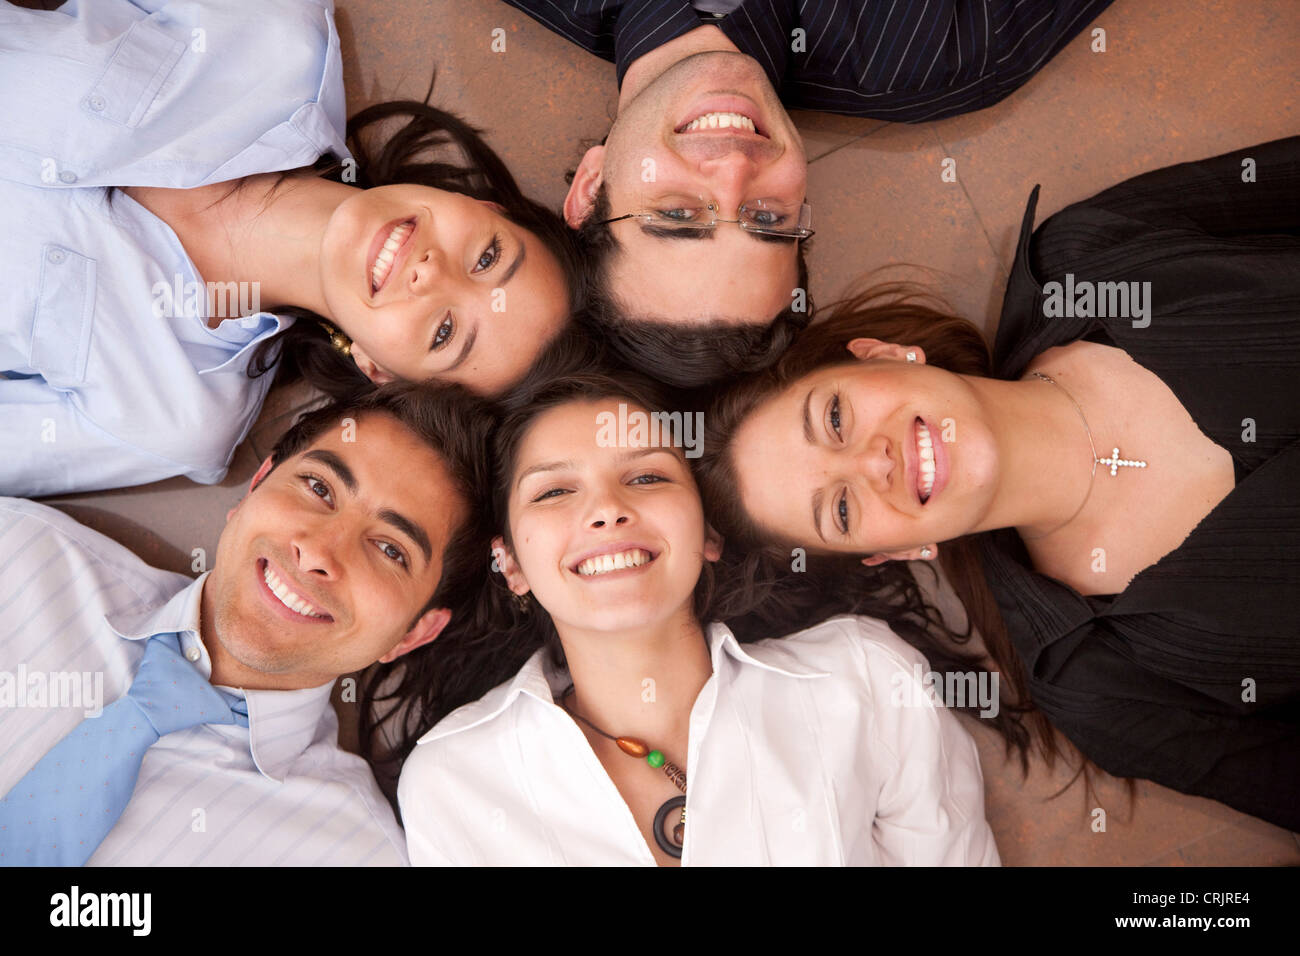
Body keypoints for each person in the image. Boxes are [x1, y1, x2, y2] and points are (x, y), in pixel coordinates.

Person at [696, 137, 1300, 830]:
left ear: (882, 355)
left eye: (835, 417)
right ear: (891, 552)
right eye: (840, 507)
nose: (874, 463)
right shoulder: (1101, 690)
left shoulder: (1088, 260)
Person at [395, 368, 1001, 865]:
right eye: (554, 492)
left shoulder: (865, 681)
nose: (606, 510)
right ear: (511, 563)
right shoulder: (454, 780)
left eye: (647, 476)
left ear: (709, 532)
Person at [0, 0, 579, 497]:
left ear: (379, 368)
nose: (433, 273)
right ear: (486, 209)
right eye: (487, 259)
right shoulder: (276, 33)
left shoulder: (178, 419)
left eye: (444, 333)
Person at [0, 382, 494, 865]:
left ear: (413, 633)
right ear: (256, 485)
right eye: (319, 488)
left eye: (390, 549)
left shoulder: (357, 853)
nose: (319, 550)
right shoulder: (17, 548)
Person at [499, 0, 1113, 384]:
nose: (735, 170)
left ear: (590, 186)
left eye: (679, 213)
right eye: (766, 219)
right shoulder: (946, 49)